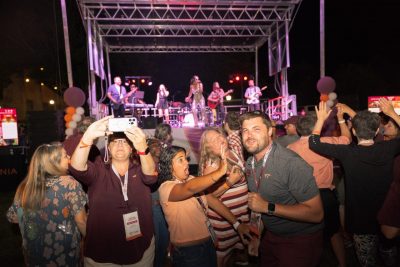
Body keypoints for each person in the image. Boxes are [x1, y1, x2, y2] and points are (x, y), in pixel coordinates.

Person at [309, 100, 400, 267]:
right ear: (377, 131)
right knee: (389, 256)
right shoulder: (387, 149)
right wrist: (393, 113)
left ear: (353, 130)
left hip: (360, 220)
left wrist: (320, 119)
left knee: (366, 261)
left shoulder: (346, 152)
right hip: (387, 217)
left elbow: (313, 142)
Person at [69, 116, 157, 266]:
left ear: (131, 148)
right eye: (115, 142)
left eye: (124, 142)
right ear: (108, 148)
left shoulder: (141, 168)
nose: (120, 145)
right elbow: (77, 168)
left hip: (140, 249)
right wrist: (88, 136)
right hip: (103, 254)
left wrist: (143, 148)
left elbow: (151, 178)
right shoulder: (99, 169)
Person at [240, 111, 324, 267]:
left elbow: (316, 213)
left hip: (300, 239)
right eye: (245, 130)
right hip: (271, 236)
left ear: (270, 131)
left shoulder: (290, 163)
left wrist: (268, 207)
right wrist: (256, 236)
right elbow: (257, 204)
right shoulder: (250, 163)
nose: (249, 135)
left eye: (256, 129)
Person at [158, 146, 251, 267]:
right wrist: (220, 171)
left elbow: (213, 200)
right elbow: (189, 188)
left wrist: (237, 224)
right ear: (169, 166)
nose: (186, 162)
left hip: (208, 243)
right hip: (188, 251)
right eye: (181, 159)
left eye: (186, 158)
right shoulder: (166, 188)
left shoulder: (190, 179)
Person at [287, 107, 352, 267]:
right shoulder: (326, 143)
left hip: (301, 196)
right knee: (334, 232)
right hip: (325, 196)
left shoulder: (290, 149)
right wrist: (341, 120)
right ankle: (342, 264)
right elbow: (347, 139)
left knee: (306, 234)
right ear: (319, 126)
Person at [7, 142, 87, 266]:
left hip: (35, 255)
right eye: (65, 156)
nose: (69, 158)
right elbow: (81, 221)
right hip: (63, 254)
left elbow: (13, 217)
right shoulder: (69, 184)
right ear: (54, 163)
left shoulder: (26, 187)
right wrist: (94, 243)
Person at [198, 129, 249, 266]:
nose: (220, 139)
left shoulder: (232, 152)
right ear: (207, 147)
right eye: (214, 140)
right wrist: (229, 182)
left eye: (219, 135)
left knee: (238, 252)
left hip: (240, 215)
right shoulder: (212, 164)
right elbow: (208, 197)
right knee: (222, 258)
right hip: (224, 220)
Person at [147, 123, 173, 267]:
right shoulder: (156, 148)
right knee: (159, 237)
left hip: (161, 200)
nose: (157, 149)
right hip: (154, 201)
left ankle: (161, 260)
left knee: (164, 236)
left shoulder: (164, 149)